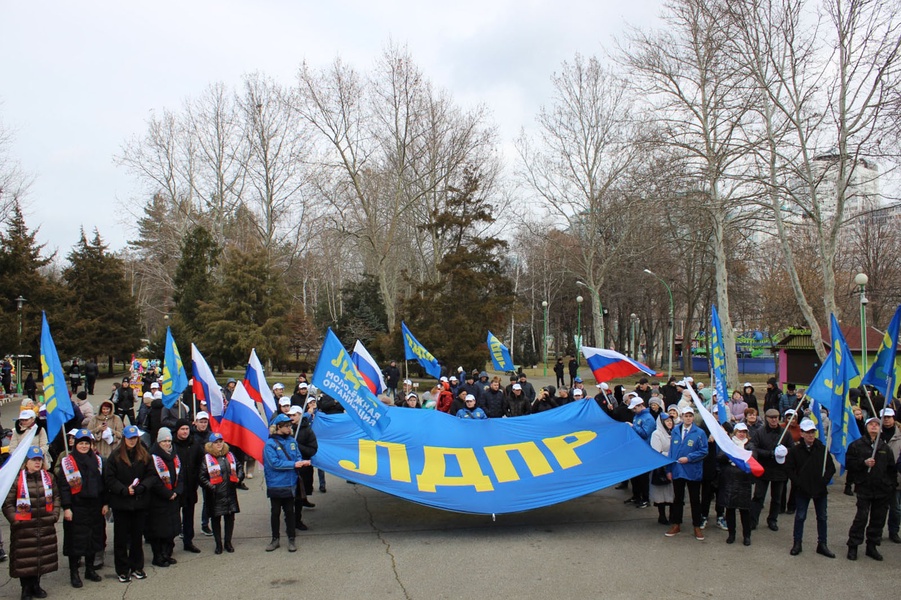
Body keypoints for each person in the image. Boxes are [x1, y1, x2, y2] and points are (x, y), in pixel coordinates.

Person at [3, 446, 61, 600]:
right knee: (25, 559)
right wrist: (15, 520)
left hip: (44, 524)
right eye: (34, 460)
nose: (37, 462)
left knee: (41, 557)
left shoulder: (48, 477)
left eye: (39, 459)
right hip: (24, 527)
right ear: (26, 462)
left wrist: (55, 515)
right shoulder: (16, 480)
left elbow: (56, 497)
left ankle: (36, 585)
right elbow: (7, 503)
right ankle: (26, 588)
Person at [104, 425, 157, 583]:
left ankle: (137, 566)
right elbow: (109, 479)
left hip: (139, 502)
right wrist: (123, 490)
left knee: (136, 537)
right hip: (122, 503)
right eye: (129, 438)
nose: (132, 441)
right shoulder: (115, 456)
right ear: (124, 438)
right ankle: (122, 569)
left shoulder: (144, 454)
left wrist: (142, 487)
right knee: (121, 538)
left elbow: (152, 475)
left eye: (135, 438)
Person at [57, 429, 106, 588]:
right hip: (76, 507)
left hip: (95, 506)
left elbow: (103, 484)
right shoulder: (67, 462)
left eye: (87, 443)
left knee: (93, 538)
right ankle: (74, 573)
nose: (84, 446)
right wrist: (67, 507)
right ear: (75, 444)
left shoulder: (98, 460)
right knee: (76, 541)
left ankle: (90, 569)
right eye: (81, 443)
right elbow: (63, 487)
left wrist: (105, 503)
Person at [845, 416, 896, 560]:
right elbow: (849, 464)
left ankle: (872, 546)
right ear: (866, 427)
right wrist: (863, 463)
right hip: (864, 488)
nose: (874, 426)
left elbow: (891, 469)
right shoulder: (856, 445)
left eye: (877, 424)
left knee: (878, 519)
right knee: (861, 518)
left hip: (882, 490)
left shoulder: (885, 447)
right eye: (871, 424)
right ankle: (853, 545)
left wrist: (890, 486)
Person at [785, 419, 836, 557]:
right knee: (800, 516)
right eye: (807, 432)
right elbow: (789, 469)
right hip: (803, 490)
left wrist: (823, 482)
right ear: (801, 433)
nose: (810, 435)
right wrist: (798, 483)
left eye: (812, 432)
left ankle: (822, 544)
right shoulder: (795, 451)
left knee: (822, 517)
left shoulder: (822, 449)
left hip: (820, 490)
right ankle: (797, 543)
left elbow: (830, 468)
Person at [263, 414, 308, 552]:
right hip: (276, 483)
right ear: (278, 427)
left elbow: (298, 456)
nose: (289, 428)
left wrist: (301, 462)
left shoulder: (292, 442)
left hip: (290, 482)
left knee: (290, 511)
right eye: (286, 426)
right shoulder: (270, 444)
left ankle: (291, 539)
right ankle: (275, 539)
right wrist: (295, 464)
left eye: (290, 425)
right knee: (275, 512)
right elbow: (274, 463)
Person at [665, 406, 708, 540]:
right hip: (678, 470)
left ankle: (697, 525)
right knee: (678, 499)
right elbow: (672, 451)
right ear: (682, 417)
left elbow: (704, 451)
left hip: (692, 471)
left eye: (690, 416)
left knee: (695, 499)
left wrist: (689, 458)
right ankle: (676, 524)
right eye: (686, 416)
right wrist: (669, 469)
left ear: (693, 417)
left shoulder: (699, 432)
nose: (688, 418)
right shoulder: (676, 431)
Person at [198, 432, 243, 554]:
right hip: (215, 495)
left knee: (230, 519)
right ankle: (218, 544)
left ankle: (228, 542)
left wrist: (239, 478)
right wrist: (212, 487)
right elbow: (202, 477)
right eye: (216, 442)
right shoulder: (207, 458)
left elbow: (239, 467)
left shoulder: (230, 455)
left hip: (229, 493)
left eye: (220, 442)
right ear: (211, 444)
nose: (219, 445)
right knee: (216, 520)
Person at [750, 408, 792, 531]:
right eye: (771, 417)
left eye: (776, 417)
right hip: (763, 469)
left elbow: (791, 448)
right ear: (766, 418)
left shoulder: (785, 433)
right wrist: (770, 453)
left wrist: (785, 451)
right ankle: (753, 520)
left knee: (777, 498)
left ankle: (772, 520)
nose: (774, 420)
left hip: (779, 470)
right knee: (758, 496)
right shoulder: (760, 432)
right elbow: (755, 448)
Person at [148, 428, 182, 567]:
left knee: (171, 529)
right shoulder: (152, 457)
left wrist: (177, 491)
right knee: (159, 530)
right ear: (159, 442)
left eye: (169, 441)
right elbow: (153, 479)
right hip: (159, 500)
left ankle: (167, 553)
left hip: (173, 498)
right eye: (164, 441)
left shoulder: (174, 455)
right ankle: (158, 556)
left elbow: (181, 475)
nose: (167, 444)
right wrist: (167, 493)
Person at [718, 422, 755, 546]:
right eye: (739, 431)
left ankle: (747, 535)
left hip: (744, 481)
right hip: (730, 480)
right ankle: (731, 534)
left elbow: (753, 460)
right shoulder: (728, 444)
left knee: (745, 511)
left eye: (744, 432)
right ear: (735, 432)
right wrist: (730, 456)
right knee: (730, 509)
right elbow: (720, 457)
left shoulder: (750, 445)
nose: (741, 434)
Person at [172, 418, 203, 553]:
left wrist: (197, 480)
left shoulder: (195, 444)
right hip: (175, 488)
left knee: (189, 515)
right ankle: (169, 543)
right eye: (182, 429)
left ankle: (188, 541)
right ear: (177, 430)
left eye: (186, 429)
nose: (185, 432)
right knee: (173, 517)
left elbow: (201, 463)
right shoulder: (172, 445)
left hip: (190, 487)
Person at [291, 406, 317, 531]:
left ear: (300, 415)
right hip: (289, 469)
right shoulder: (286, 429)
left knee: (299, 497)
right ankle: (290, 519)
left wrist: (297, 446)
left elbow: (312, 450)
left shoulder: (307, 431)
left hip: (303, 470)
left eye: (294, 415)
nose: (291, 418)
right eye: (290, 415)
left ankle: (297, 520)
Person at [626, 396, 655, 508]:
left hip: (644, 450)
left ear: (640, 405)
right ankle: (636, 496)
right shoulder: (637, 416)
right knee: (635, 476)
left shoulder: (648, 418)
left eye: (634, 408)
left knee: (643, 477)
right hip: (635, 449)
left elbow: (645, 434)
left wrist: (633, 427)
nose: (633, 410)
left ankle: (645, 498)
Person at [878, 408, 901, 544]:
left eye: (889, 417)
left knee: (896, 509)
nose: (886, 419)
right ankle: (877, 531)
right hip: (879, 477)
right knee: (880, 508)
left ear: (893, 418)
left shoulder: (899, 435)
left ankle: (894, 531)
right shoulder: (876, 435)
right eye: (884, 417)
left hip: (896, 478)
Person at [650, 414, 675, 525]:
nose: (669, 423)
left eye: (670, 421)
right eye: (666, 421)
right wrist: (671, 455)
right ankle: (662, 515)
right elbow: (656, 451)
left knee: (672, 492)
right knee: (661, 492)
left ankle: (673, 515)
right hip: (661, 467)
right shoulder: (656, 434)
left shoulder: (674, 433)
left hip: (673, 466)